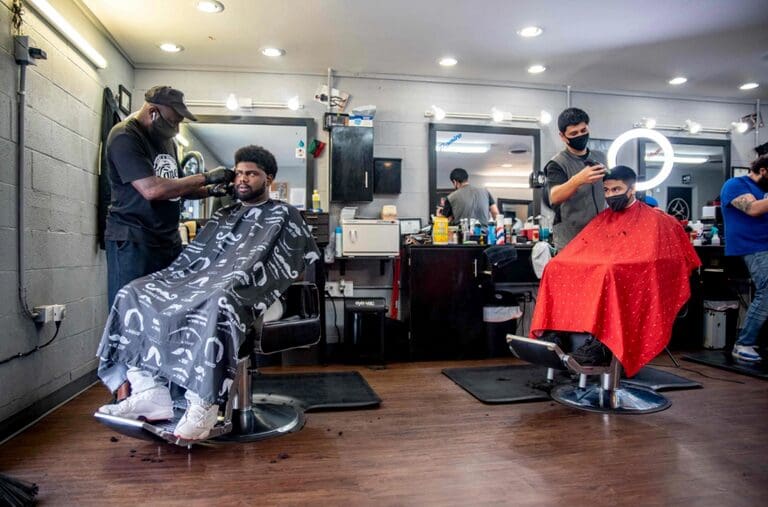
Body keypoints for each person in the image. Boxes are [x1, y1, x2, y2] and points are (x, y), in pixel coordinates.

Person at [96, 145, 319, 440]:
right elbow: (199, 262)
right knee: (133, 292)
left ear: (269, 179)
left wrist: (238, 280)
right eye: (238, 173)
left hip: (261, 297)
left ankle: (204, 404)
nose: (242, 179)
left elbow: (294, 265)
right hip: (214, 288)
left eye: (251, 174)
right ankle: (150, 391)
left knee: (220, 301)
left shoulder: (284, 215)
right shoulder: (224, 214)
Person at [531, 166, 700, 374]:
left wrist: (620, 264)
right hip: (614, 269)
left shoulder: (657, 219)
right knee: (555, 267)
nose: (611, 195)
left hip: (637, 279)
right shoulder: (604, 218)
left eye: (617, 189)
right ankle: (556, 333)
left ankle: (602, 345)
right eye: (607, 190)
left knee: (608, 271)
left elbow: (660, 259)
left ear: (632, 189)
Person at [104, 85, 235, 309]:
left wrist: (211, 190)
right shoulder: (125, 136)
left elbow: (177, 186)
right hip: (134, 241)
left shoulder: (167, 141)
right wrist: (206, 177)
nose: (176, 128)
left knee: (165, 310)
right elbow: (152, 189)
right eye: (173, 121)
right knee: (131, 311)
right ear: (153, 112)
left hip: (166, 240)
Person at [720, 154, 768, 362]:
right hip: (754, 246)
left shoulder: (763, 191)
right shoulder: (735, 184)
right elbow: (753, 209)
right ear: (764, 170)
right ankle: (744, 343)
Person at [545, 107, 608, 250]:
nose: (580, 135)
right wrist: (578, 180)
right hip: (570, 238)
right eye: (574, 133)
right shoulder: (557, 164)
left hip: (600, 233)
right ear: (562, 136)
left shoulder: (600, 157)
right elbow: (554, 197)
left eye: (583, 131)